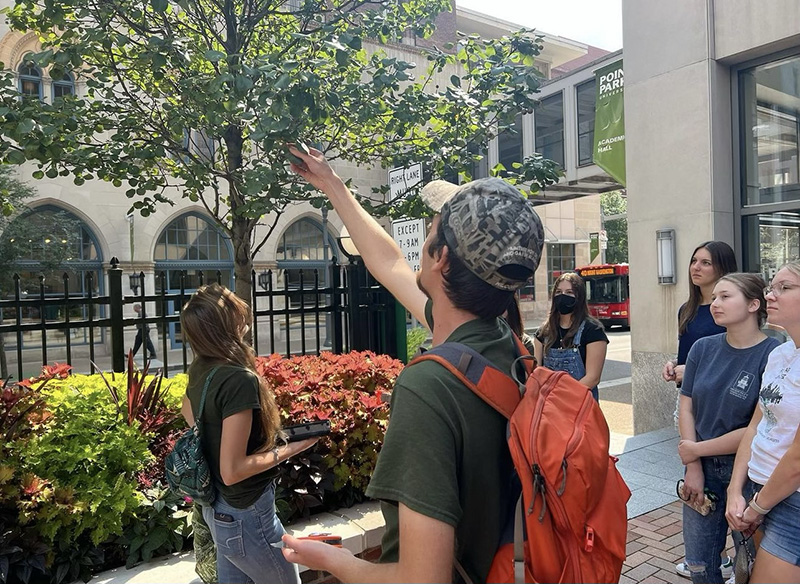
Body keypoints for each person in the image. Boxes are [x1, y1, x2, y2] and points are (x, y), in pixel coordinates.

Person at [280, 145, 544, 582]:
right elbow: (389, 263)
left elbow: (423, 579)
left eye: (432, 228)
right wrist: (332, 185)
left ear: (441, 258)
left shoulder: (430, 386)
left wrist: (335, 561)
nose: (423, 237)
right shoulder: (505, 345)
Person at [180, 284, 318, 584]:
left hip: (219, 512)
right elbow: (233, 471)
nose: (244, 318)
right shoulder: (238, 379)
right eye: (237, 313)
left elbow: (187, 412)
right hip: (246, 514)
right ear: (225, 325)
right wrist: (295, 446)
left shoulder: (201, 367)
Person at [677, 273, 780, 584]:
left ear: (753, 304)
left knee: (750, 564)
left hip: (750, 474)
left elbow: (757, 427)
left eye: (725, 297)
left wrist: (694, 450)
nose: (715, 304)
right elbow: (687, 405)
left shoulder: (773, 354)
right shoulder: (702, 348)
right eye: (715, 297)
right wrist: (693, 465)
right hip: (701, 471)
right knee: (699, 564)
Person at [726, 261, 800, 584]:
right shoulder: (779, 355)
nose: (771, 295)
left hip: (790, 501)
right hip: (758, 491)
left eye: (785, 288)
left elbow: (797, 459)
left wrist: (756, 507)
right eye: (772, 286)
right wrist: (734, 489)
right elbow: (757, 426)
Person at [662, 241, 738, 388]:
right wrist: (675, 363)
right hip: (687, 393)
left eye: (706, 263)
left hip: (718, 394)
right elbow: (695, 352)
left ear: (723, 268)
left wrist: (691, 370)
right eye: (694, 261)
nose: (696, 267)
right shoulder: (687, 309)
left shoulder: (732, 309)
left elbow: (736, 359)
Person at [533, 272, 608, 401]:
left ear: (579, 297)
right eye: (558, 292)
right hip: (549, 407)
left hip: (580, 407)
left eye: (569, 292)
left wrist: (562, 398)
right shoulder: (543, 333)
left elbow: (593, 378)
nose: (563, 296)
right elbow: (536, 373)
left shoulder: (593, 331)